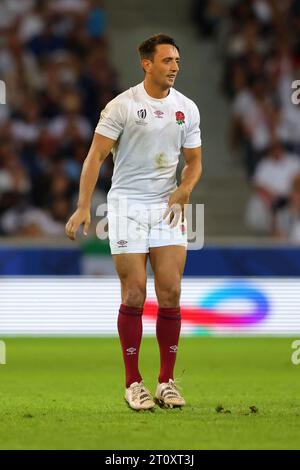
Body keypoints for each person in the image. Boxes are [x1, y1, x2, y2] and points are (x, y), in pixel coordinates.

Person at [65, 34, 202, 411]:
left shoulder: (187, 108)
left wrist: (185, 188)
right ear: (147, 64)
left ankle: (166, 382)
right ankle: (132, 383)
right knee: (135, 293)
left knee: (171, 291)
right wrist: (82, 206)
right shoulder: (121, 106)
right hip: (126, 206)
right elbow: (95, 157)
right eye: (167, 60)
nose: (175, 66)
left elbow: (193, 161)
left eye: (177, 60)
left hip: (166, 206)